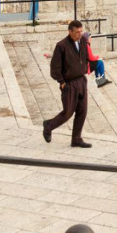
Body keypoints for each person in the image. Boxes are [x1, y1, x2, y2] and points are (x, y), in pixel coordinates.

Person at [43, 20, 93, 148]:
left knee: (82, 111)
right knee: (68, 112)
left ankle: (76, 139)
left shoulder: (83, 41)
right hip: (69, 84)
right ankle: (49, 126)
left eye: (81, 31)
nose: (79, 34)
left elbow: (86, 57)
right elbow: (54, 68)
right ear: (70, 32)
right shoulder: (61, 46)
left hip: (81, 81)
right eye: (77, 32)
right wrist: (62, 82)